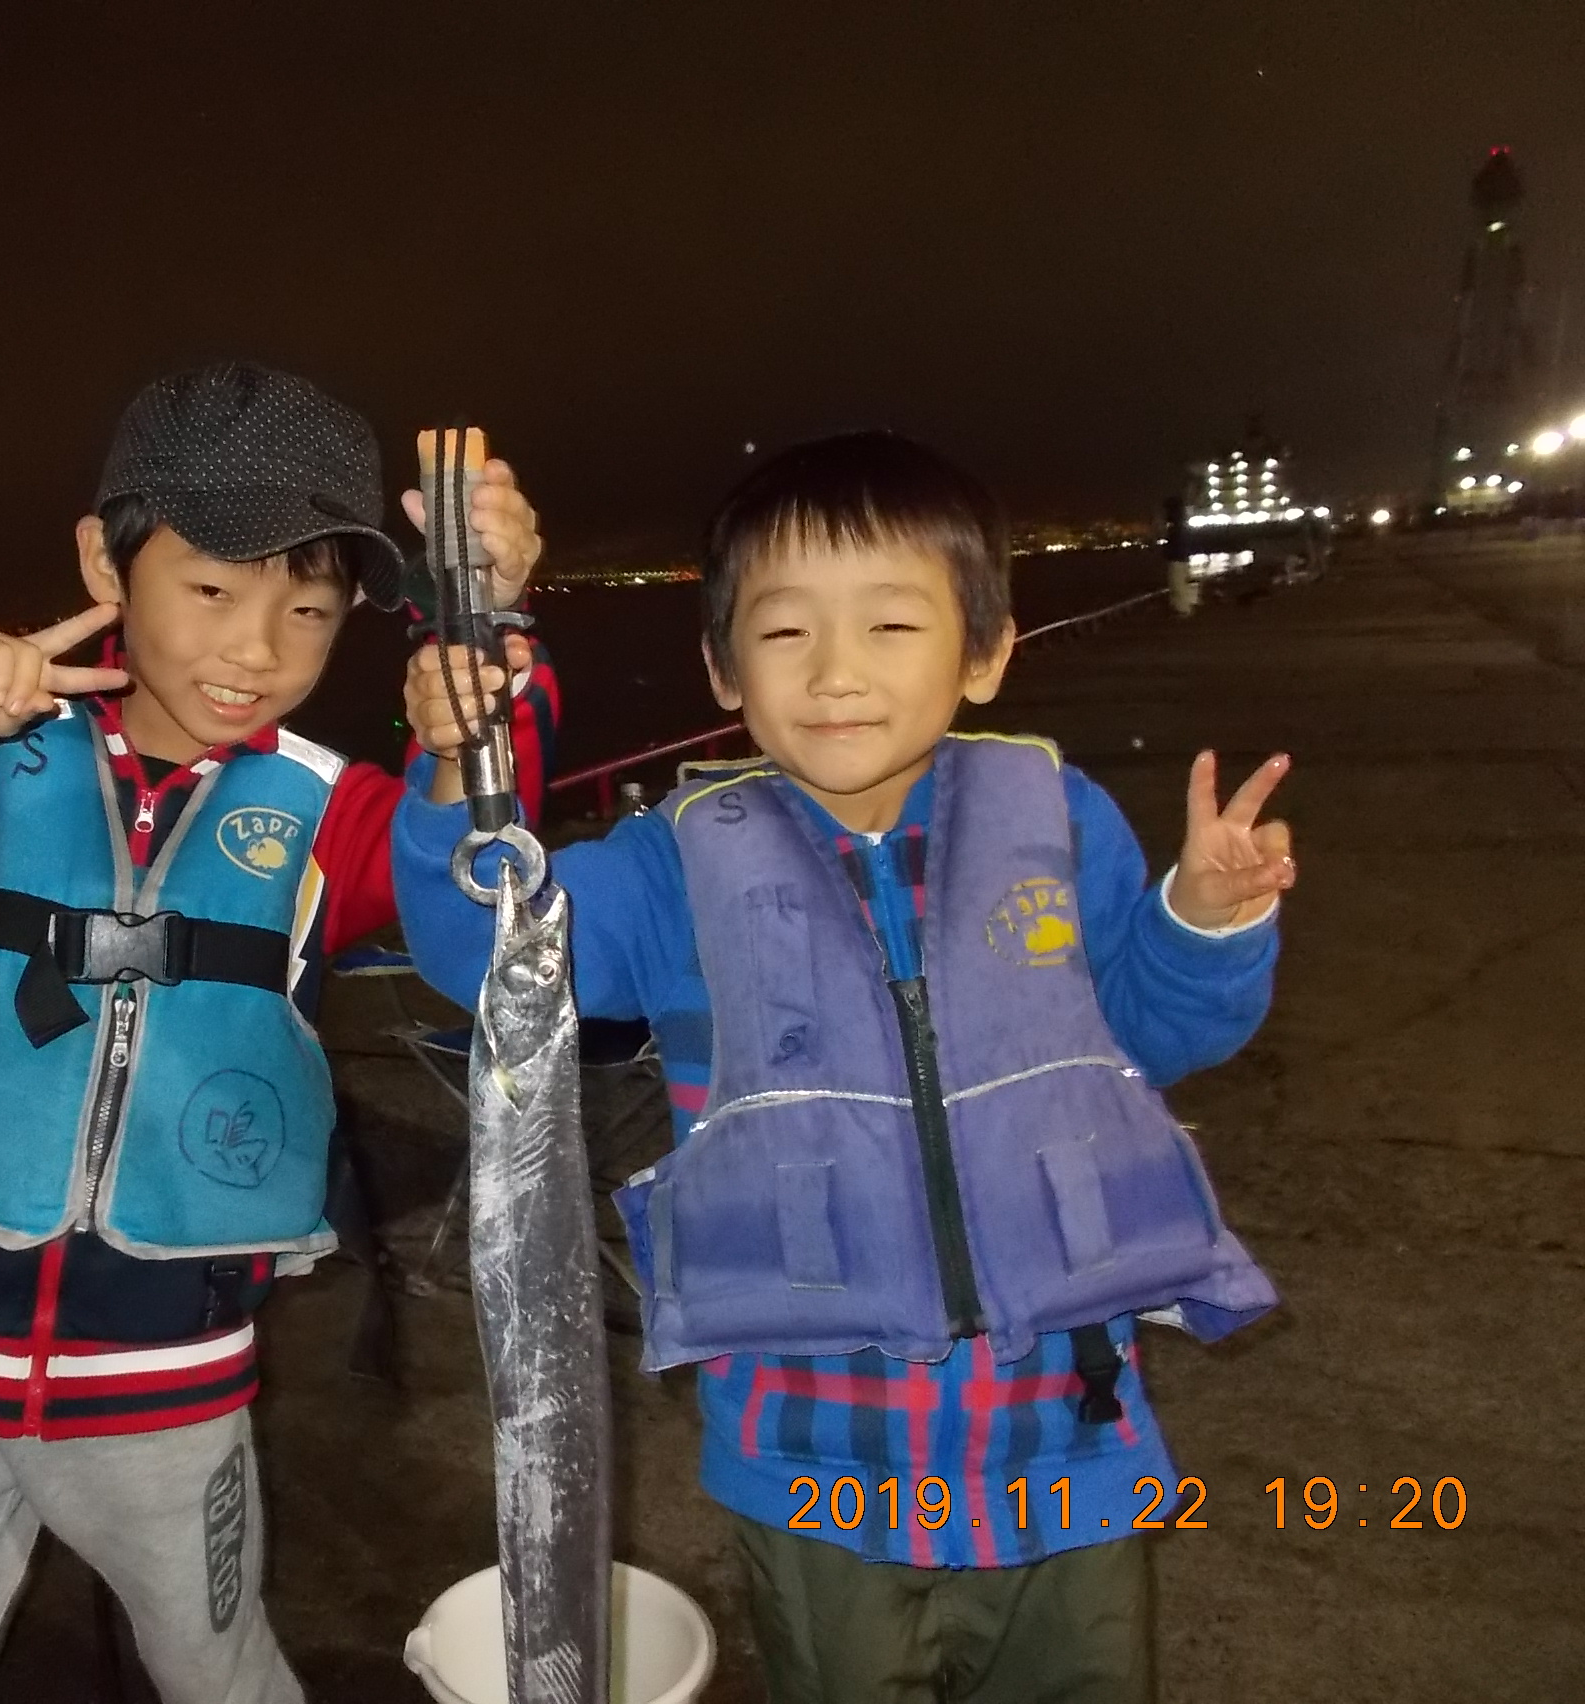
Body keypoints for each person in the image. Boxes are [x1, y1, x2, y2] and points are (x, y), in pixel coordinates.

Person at [0, 361, 552, 1704]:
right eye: (210, 591)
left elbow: (479, 902)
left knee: (221, 1673)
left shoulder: (332, 814)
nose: (257, 649)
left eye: (309, 609)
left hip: (171, 1373)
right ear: (105, 560)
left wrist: (489, 651)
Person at [395, 431, 1294, 1703]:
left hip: (1066, 1440)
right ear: (721, 666)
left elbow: (1149, 1036)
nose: (834, 673)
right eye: (783, 632)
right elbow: (483, 949)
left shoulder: (1057, 818)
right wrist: (459, 755)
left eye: (891, 625)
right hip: (812, 1463)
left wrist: (1205, 920)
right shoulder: (674, 863)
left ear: (985, 653)